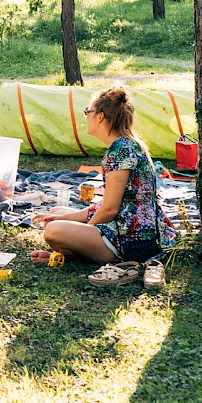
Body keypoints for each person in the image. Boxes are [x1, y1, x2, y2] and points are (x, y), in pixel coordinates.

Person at [29, 86, 177, 271]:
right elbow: (110, 204)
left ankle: (76, 252)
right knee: (57, 212)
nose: (86, 116)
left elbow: (109, 209)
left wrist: (85, 232)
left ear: (100, 116)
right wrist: (66, 217)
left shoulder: (120, 151)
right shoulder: (126, 144)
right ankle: (71, 251)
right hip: (130, 229)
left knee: (53, 230)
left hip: (133, 241)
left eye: (87, 111)